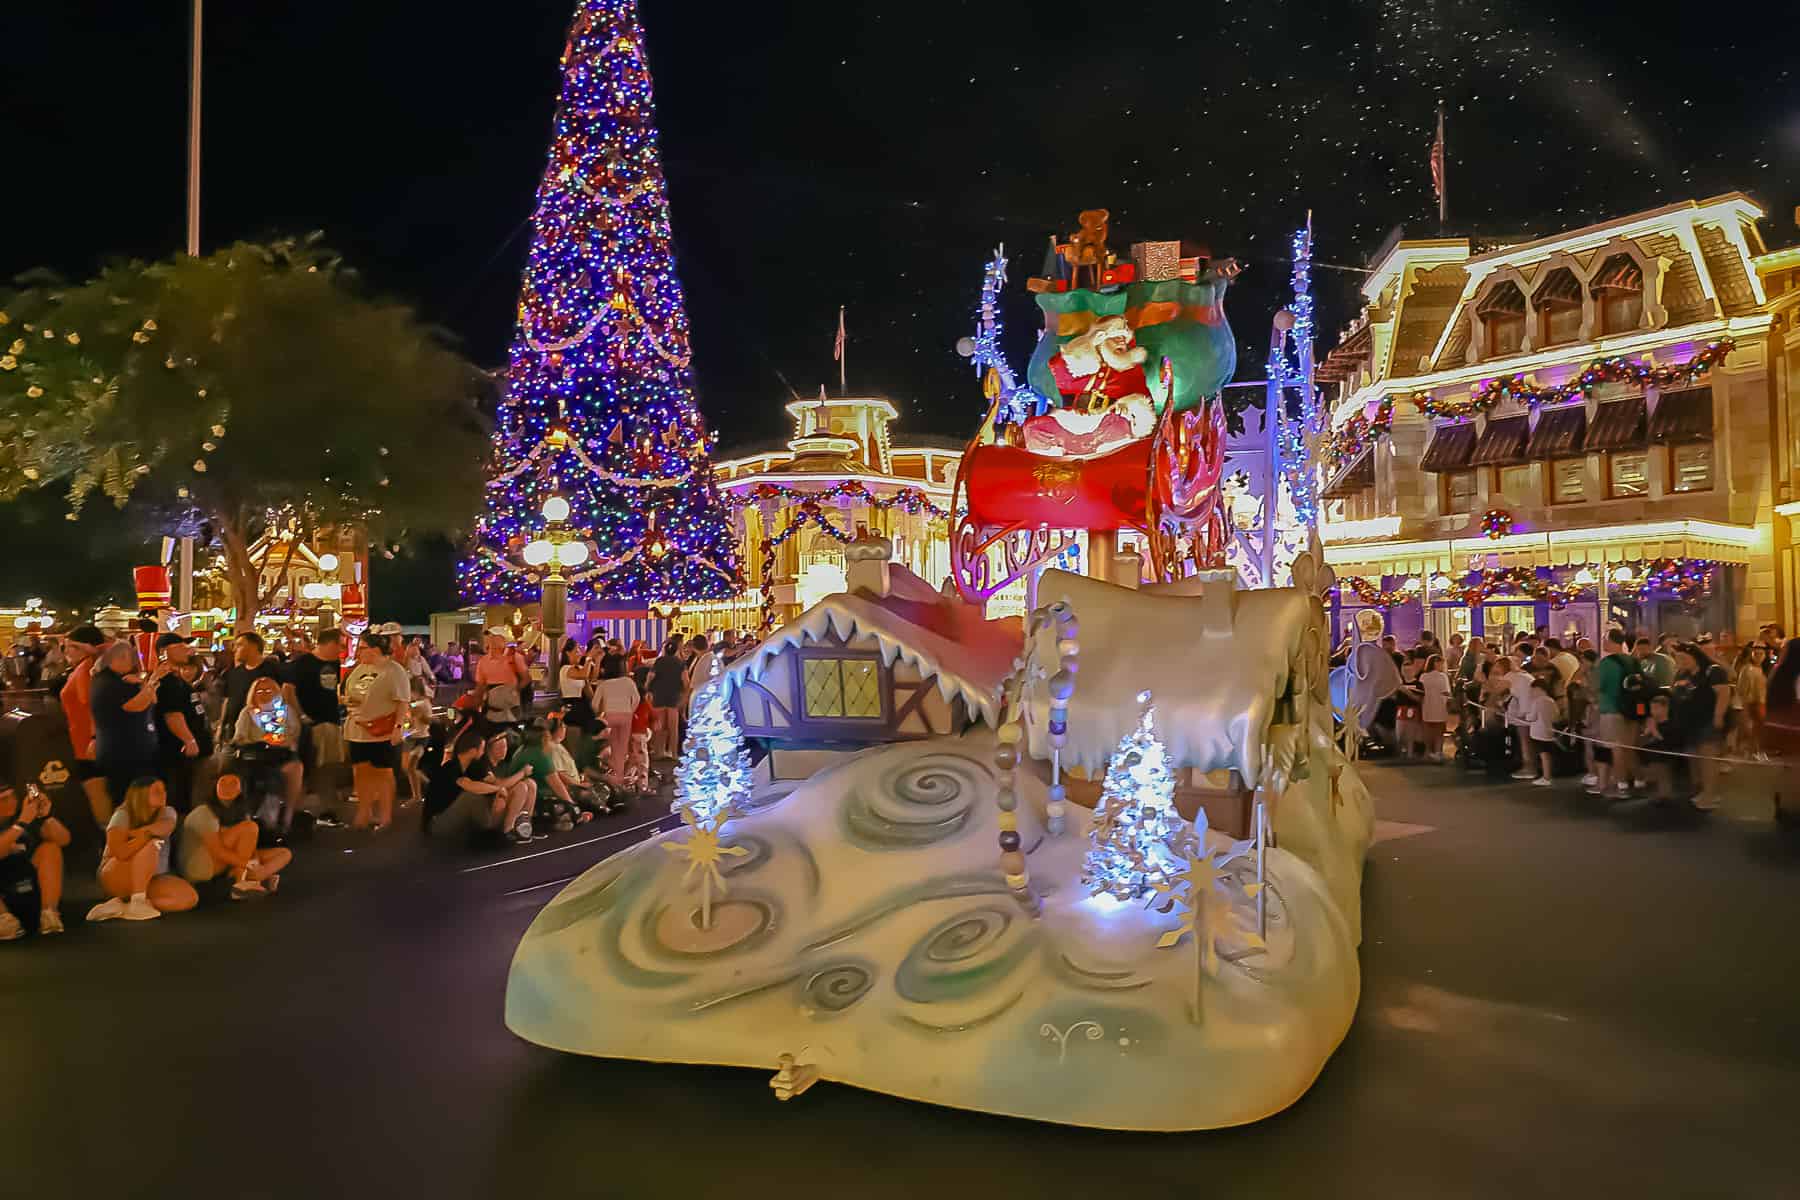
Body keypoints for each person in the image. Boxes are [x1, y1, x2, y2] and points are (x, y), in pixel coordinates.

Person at [87, 777, 196, 922]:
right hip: (116, 873)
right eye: (157, 791)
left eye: (164, 790)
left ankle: (123, 907)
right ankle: (137, 901)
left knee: (189, 897)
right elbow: (119, 852)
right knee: (151, 844)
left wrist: (139, 832)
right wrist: (144, 838)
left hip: (151, 877)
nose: (163, 794)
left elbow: (166, 826)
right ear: (141, 794)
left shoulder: (167, 812)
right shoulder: (122, 815)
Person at [180, 772, 291, 901]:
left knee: (283, 853)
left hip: (229, 861)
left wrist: (256, 863)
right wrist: (249, 864)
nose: (227, 787)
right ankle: (241, 883)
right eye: (223, 782)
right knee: (250, 828)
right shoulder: (203, 812)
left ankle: (258, 878)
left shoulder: (241, 812)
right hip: (201, 864)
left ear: (241, 788)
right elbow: (217, 851)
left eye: (233, 783)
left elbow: (249, 846)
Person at [343, 632, 411, 832]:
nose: (358, 651)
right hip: (357, 729)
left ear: (375, 649)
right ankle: (364, 812)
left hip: (381, 731)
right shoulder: (358, 670)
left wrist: (398, 727)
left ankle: (385, 815)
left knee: (383, 773)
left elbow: (402, 702)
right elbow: (351, 693)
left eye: (362, 648)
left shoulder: (393, 671)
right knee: (361, 771)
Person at [90, 641, 166, 816]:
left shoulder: (122, 680)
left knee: (141, 801)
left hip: (137, 751)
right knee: (126, 801)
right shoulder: (107, 683)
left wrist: (143, 683)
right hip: (122, 753)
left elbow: (151, 700)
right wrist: (153, 680)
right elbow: (135, 705)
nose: (133, 663)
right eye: (130, 658)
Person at [426, 729, 534, 845]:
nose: (483, 753)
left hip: (456, 818)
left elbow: (494, 782)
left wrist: (501, 790)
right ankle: (495, 832)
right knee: (471, 796)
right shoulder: (450, 767)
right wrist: (498, 789)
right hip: (438, 823)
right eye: (482, 749)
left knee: (513, 789)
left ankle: (511, 827)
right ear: (473, 751)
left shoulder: (471, 767)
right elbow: (470, 785)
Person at [287, 628, 347, 817]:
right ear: (330, 643)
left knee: (328, 766)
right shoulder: (302, 663)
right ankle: (297, 810)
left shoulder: (336, 664)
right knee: (313, 766)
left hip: (332, 721)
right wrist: (301, 716)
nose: (342, 649)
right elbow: (288, 691)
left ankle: (326, 807)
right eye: (340, 645)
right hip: (312, 724)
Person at [58, 625, 113, 827]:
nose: (65, 652)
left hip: (87, 745)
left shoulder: (85, 669)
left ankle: (110, 848)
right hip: (83, 742)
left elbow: (91, 705)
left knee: (98, 798)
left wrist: (94, 739)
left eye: (70, 646)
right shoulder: (83, 668)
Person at [0, 784, 69, 938]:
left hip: (28, 887)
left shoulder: (24, 816)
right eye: (3, 799)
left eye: (12, 797)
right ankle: (4, 921)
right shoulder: (23, 819)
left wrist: (47, 816)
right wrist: (21, 824)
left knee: (50, 848)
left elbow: (64, 839)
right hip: (3, 896)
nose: (10, 802)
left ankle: (49, 913)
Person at [1671, 642, 1732, 811]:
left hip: (1708, 722)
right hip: (1690, 723)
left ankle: (1711, 795)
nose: (1681, 661)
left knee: (1708, 759)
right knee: (1694, 758)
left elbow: (1724, 693)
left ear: (1695, 656)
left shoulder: (1713, 671)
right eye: (1678, 658)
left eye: (1684, 658)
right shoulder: (1682, 674)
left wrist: (1718, 716)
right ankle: (1702, 790)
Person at [152, 632, 209, 813]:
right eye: (180, 646)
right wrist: (188, 740)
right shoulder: (168, 682)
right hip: (177, 753)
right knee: (178, 800)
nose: (188, 650)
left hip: (187, 752)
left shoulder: (177, 680)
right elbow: (172, 715)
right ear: (164, 652)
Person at [1590, 630, 1643, 798]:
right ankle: (1637, 779)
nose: (1603, 642)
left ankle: (1621, 785)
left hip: (1612, 710)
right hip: (1633, 710)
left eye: (1604, 639)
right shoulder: (1634, 661)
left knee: (1616, 748)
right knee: (1630, 747)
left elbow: (1596, 686)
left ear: (1611, 641)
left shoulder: (1606, 663)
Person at [594, 654, 641, 790]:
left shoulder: (603, 684)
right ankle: (619, 779)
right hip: (626, 716)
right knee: (621, 750)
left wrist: (600, 714)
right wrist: (630, 711)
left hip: (609, 716)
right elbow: (637, 699)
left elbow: (595, 705)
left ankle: (611, 775)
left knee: (612, 746)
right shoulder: (628, 681)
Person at [1515, 675, 1560, 787]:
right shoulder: (1551, 701)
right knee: (1547, 755)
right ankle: (1547, 775)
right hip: (1549, 732)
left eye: (1533, 691)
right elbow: (1556, 717)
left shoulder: (1538, 701)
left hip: (1539, 733)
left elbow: (1532, 717)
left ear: (1539, 689)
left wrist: (1524, 716)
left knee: (1543, 755)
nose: (1531, 694)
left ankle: (1546, 777)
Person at [647, 636, 686, 760]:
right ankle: (673, 753)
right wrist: (684, 694)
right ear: (675, 650)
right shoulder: (680, 663)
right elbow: (686, 681)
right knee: (673, 728)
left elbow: (650, 677)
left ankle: (659, 751)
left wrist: (646, 688)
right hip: (673, 696)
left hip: (659, 695)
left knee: (660, 726)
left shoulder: (659, 661)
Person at [1732, 644, 1770, 761]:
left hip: (1759, 703)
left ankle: (1755, 751)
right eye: (1756, 653)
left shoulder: (1762, 670)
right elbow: (1742, 690)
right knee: (1749, 729)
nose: (1758, 656)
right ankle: (1750, 752)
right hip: (1749, 703)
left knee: (1756, 730)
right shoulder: (1747, 669)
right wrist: (1743, 706)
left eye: (1761, 654)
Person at [1416, 653, 1452, 763]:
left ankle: (1428, 751)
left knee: (1428, 730)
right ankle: (1438, 751)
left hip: (1427, 704)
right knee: (1439, 730)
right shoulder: (1442, 676)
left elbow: (1420, 692)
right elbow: (1446, 692)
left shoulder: (1423, 676)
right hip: (1440, 705)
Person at [556, 639, 593, 730]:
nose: (580, 654)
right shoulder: (565, 669)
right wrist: (588, 659)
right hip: (570, 705)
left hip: (581, 704)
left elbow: (590, 692)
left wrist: (598, 659)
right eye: (577, 651)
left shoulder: (580, 668)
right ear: (568, 653)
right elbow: (584, 674)